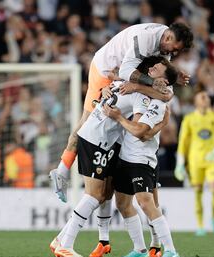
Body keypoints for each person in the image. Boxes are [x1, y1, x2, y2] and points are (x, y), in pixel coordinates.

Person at [49, 22, 193, 203]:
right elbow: (126, 71)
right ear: (169, 37)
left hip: (121, 79)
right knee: (86, 124)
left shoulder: (165, 46)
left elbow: (164, 87)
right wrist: (151, 83)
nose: (174, 53)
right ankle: (62, 171)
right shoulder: (146, 38)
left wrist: (172, 76)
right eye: (174, 49)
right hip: (106, 71)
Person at [51, 58, 176, 257]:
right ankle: (65, 244)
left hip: (103, 141)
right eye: (151, 69)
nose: (152, 70)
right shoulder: (139, 95)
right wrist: (159, 120)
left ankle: (74, 240)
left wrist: (108, 91)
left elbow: (112, 79)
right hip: (96, 140)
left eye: (157, 70)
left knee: (107, 195)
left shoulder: (124, 85)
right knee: (95, 196)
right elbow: (140, 130)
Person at [103, 69, 180, 257]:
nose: (150, 71)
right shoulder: (143, 92)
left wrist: (119, 117)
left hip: (142, 160)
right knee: (122, 203)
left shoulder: (158, 103)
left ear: (163, 81)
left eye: (156, 70)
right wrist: (106, 86)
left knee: (146, 203)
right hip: (126, 157)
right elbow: (114, 74)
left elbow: (141, 132)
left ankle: (170, 250)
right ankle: (140, 249)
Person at [174, 90, 214, 236]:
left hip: (212, 160)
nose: (204, 98)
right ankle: (200, 226)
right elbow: (183, 142)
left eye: (206, 96)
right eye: (201, 97)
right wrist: (180, 163)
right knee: (198, 192)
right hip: (195, 160)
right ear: (196, 102)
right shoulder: (189, 119)